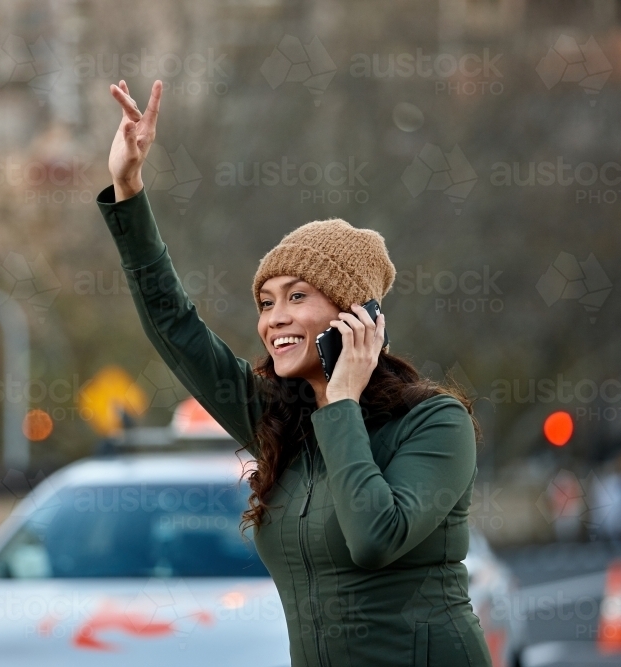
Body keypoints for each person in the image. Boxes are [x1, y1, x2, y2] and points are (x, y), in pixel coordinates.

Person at [96, 78, 492, 667]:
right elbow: (174, 326)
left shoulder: (434, 422)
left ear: (358, 313)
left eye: (297, 296)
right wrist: (128, 188)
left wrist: (342, 401)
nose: (275, 319)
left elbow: (376, 537)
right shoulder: (275, 419)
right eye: (265, 302)